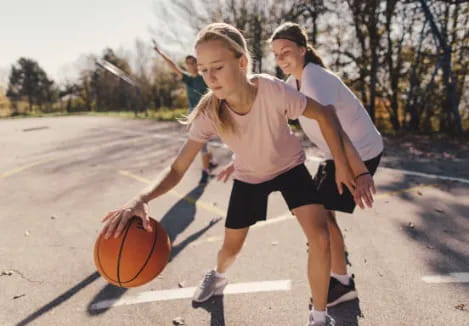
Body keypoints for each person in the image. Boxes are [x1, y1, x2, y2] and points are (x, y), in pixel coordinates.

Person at [103, 23, 372, 326]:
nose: (209, 77)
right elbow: (178, 168)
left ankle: (319, 316)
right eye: (203, 70)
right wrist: (141, 197)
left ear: (242, 62)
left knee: (320, 235)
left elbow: (324, 113)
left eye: (217, 67)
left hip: (290, 167)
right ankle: (218, 277)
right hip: (250, 176)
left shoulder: (271, 89)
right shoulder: (209, 113)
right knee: (231, 247)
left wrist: (344, 165)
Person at [218, 22, 384, 308]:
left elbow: (337, 130)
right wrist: (241, 159)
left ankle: (341, 283)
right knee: (324, 215)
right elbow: (268, 127)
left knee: (324, 218)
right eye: (276, 54)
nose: (281, 58)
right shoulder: (290, 84)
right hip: (337, 154)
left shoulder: (314, 78)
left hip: (358, 151)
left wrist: (358, 171)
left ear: (303, 50)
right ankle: (338, 268)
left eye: (287, 51)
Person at [153, 40, 216, 184]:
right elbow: (173, 66)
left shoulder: (205, 77)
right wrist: (159, 52)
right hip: (195, 116)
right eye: (188, 64)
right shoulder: (187, 79)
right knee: (203, 145)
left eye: (193, 63)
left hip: (208, 115)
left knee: (206, 144)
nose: (190, 66)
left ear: (197, 64)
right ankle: (207, 169)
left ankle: (208, 167)